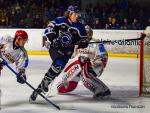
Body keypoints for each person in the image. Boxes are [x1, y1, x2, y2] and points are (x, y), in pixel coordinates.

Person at [29, 5, 89, 101]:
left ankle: (43, 84)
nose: (77, 16)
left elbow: (84, 41)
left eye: (78, 14)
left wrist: (83, 43)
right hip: (55, 47)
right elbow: (48, 29)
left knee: (58, 67)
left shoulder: (80, 27)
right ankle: (45, 83)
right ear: (70, 13)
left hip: (67, 51)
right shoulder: (60, 20)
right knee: (58, 65)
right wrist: (53, 39)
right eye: (75, 14)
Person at [56, 25, 111, 98]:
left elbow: (103, 56)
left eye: (87, 33)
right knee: (64, 84)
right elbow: (72, 55)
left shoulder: (96, 43)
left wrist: (93, 62)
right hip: (80, 63)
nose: (85, 35)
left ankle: (103, 90)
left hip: (92, 65)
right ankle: (67, 85)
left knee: (85, 76)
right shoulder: (78, 43)